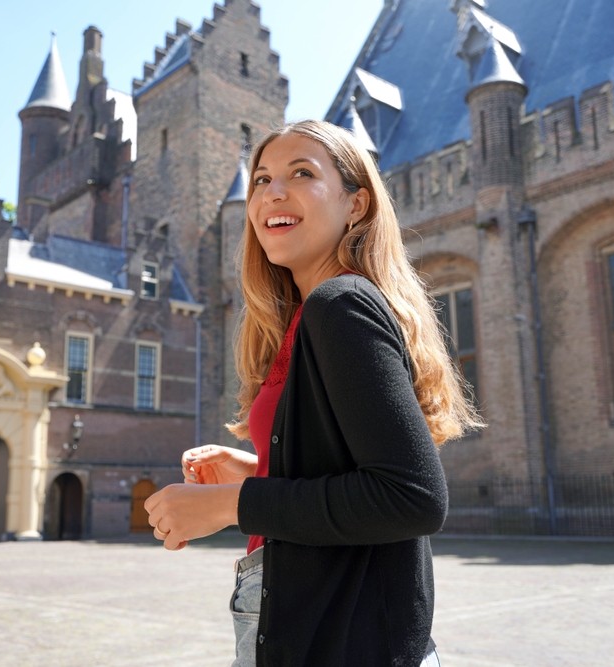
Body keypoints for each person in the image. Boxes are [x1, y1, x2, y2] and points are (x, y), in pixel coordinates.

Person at [145, 120, 483, 666]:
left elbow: (412, 497)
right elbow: (350, 469)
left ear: (356, 204)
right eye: (261, 179)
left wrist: (230, 505)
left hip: (343, 639)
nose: (273, 192)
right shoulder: (305, 317)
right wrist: (261, 470)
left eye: (302, 173)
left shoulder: (340, 304)